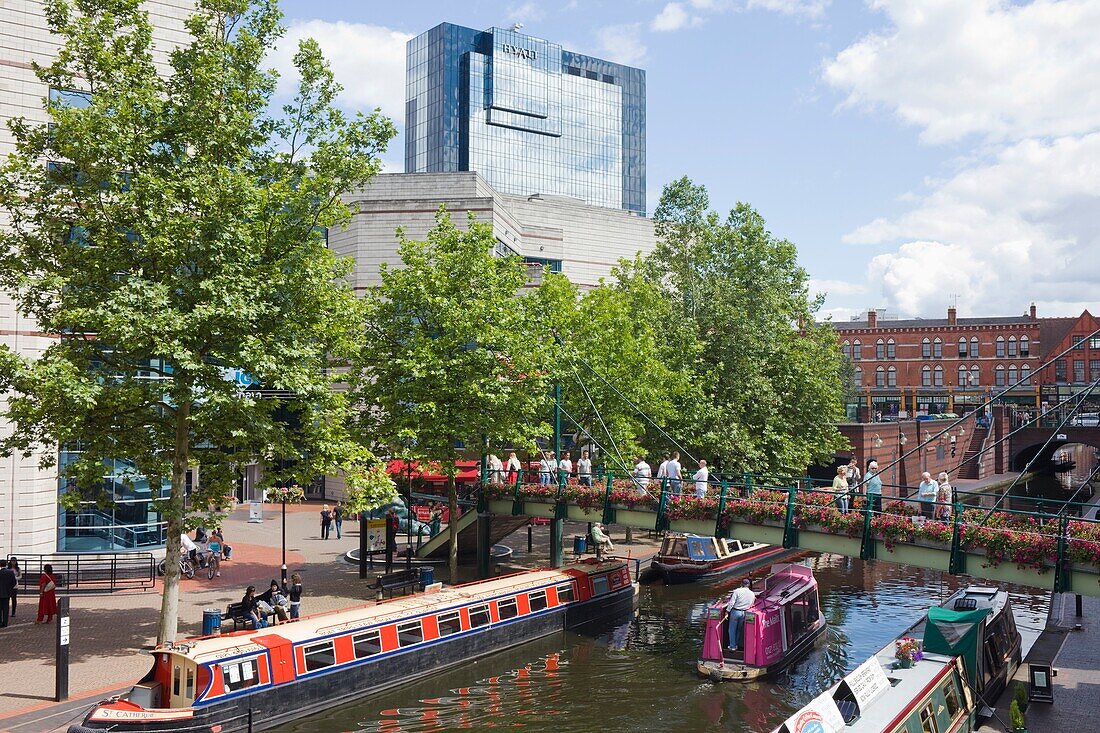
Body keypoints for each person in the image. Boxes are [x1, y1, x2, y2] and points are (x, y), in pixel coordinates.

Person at [725, 578, 756, 651]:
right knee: (738, 629)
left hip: (735, 612)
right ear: (748, 585)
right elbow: (751, 603)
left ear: (741, 584)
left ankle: (732, 646)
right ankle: (736, 645)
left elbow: (732, 603)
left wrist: (727, 611)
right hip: (744, 613)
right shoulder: (752, 594)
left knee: (732, 629)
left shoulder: (737, 591)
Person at [0, 560, 17, 627]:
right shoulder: (10, 572)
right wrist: (9, 588)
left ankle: (0, 622)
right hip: (7, 593)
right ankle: (5, 622)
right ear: (6, 564)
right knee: (6, 608)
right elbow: (14, 582)